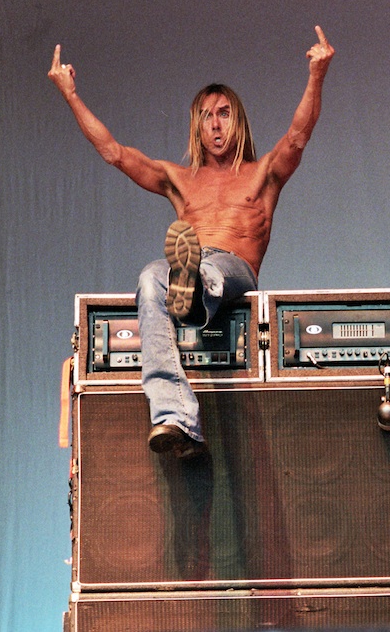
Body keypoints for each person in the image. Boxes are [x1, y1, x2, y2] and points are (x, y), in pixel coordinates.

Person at [49, 26, 335, 458]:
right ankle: (174, 416)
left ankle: (197, 292)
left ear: (237, 120)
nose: (216, 124)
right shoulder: (180, 180)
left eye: (224, 113)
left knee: (204, 269)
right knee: (150, 277)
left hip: (235, 269)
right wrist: (70, 93)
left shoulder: (263, 173)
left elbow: (297, 136)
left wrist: (317, 73)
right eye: (206, 115)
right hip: (190, 264)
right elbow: (115, 153)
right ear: (197, 126)